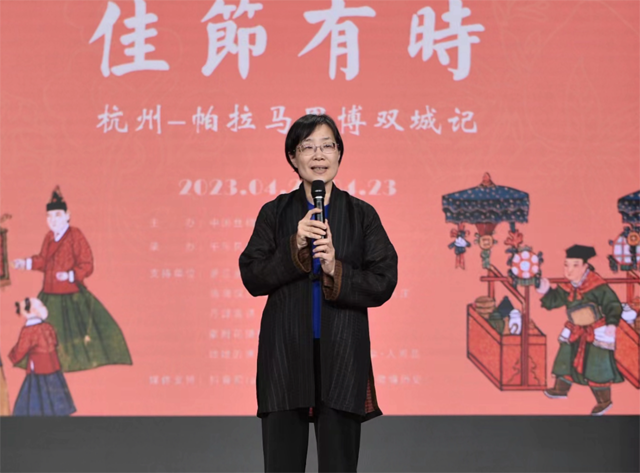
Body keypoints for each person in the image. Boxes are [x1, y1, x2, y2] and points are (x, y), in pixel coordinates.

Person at [239, 114, 398, 473]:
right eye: (307, 147)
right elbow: (252, 275)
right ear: (293, 158)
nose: (318, 155)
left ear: (339, 154)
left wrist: (334, 268)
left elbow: (384, 280)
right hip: (285, 357)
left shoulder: (361, 215)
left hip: (342, 356)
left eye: (327, 146)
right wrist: (294, 247)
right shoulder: (274, 213)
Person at [12, 186, 132, 372]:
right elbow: (43, 260)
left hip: (71, 295)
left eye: (57, 215)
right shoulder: (49, 237)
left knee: (74, 335)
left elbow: (87, 264)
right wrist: (25, 263)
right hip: (49, 295)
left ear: (67, 215)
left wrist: (69, 275)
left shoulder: (75, 235)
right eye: (49, 216)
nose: (53, 220)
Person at [537, 244, 624, 415]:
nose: (569, 270)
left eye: (575, 265)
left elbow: (613, 304)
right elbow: (554, 301)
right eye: (566, 265)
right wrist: (546, 291)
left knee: (597, 365)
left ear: (585, 266)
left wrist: (612, 324)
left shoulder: (597, 285)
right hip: (575, 329)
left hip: (596, 331)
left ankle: (604, 401)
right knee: (565, 356)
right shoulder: (568, 286)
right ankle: (561, 389)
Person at [9, 297, 76, 416]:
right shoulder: (48, 326)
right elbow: (55, 342)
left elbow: (20, 350)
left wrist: (12, 356)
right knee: (54, 394)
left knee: (35, 396)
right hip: (53, 366)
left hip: (38, 368)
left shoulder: (29, 330)